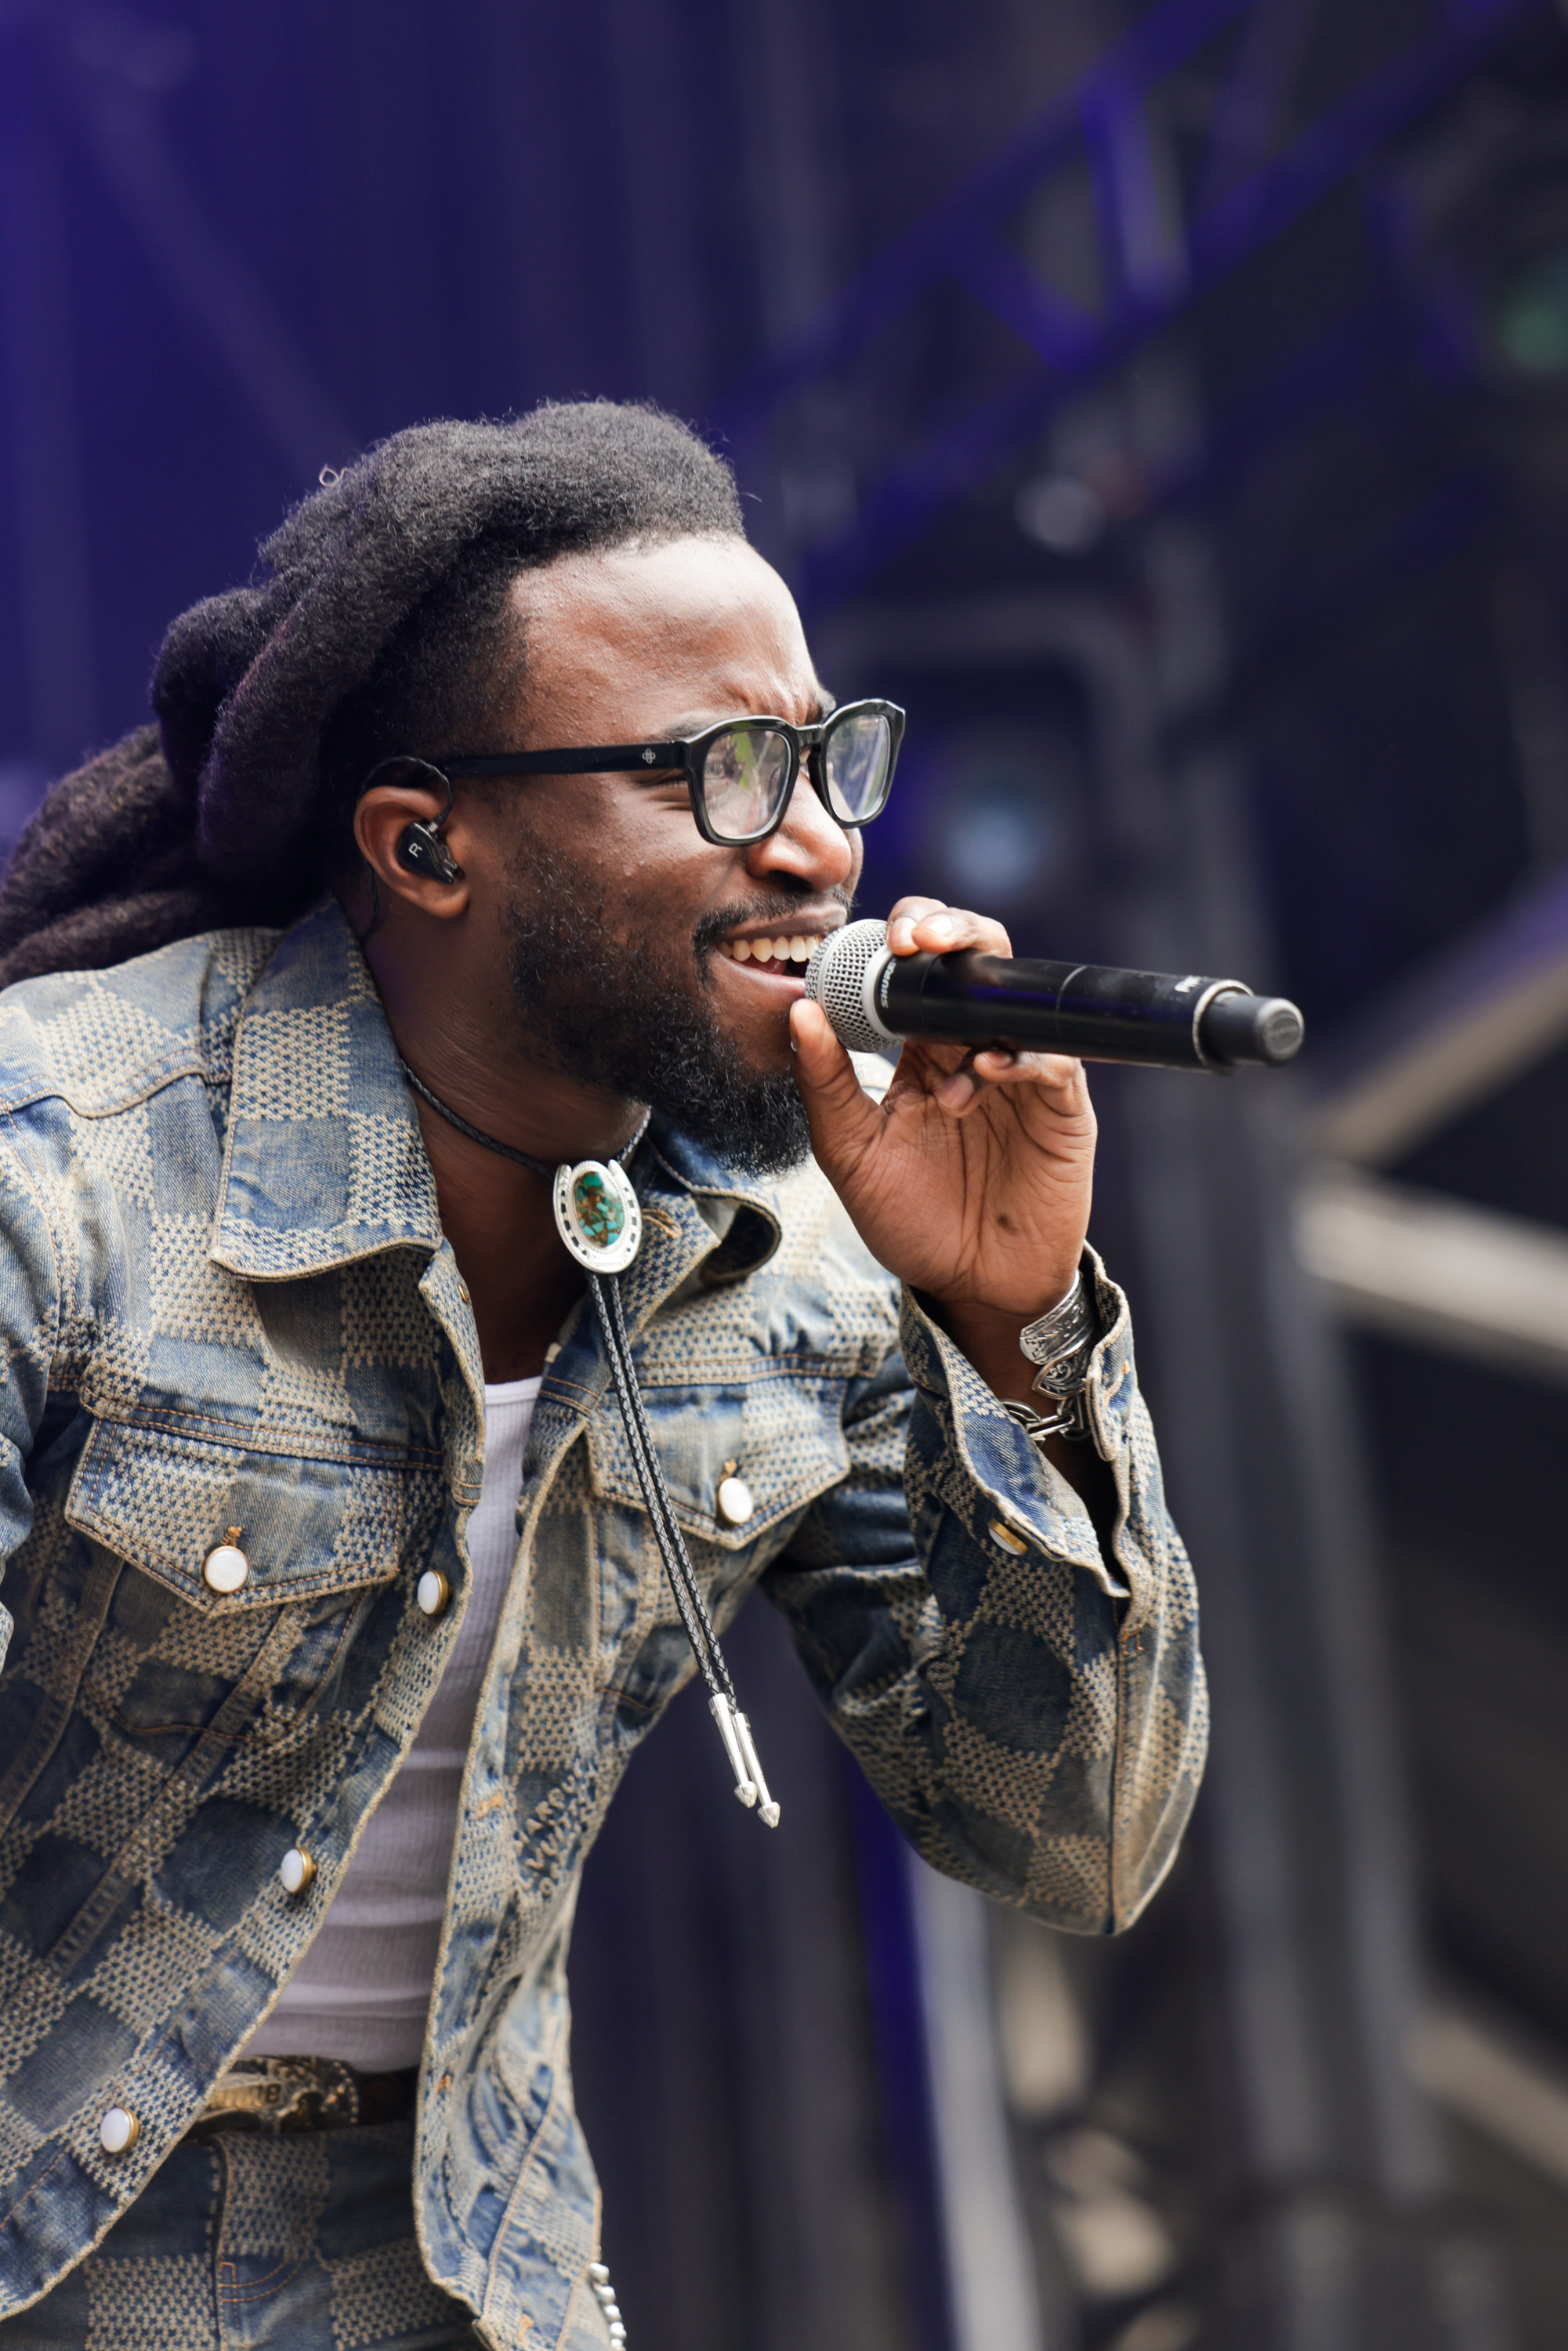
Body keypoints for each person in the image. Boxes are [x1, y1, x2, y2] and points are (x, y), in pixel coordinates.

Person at [0, 404, 1204, 2351]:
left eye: (830, 758)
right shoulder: (57, 1161)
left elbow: (1075, 1837)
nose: (817, 843)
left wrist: (1012, 1335)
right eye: (721, 773)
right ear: (427, 843)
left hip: (463, 2279)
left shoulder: (808, 1257)